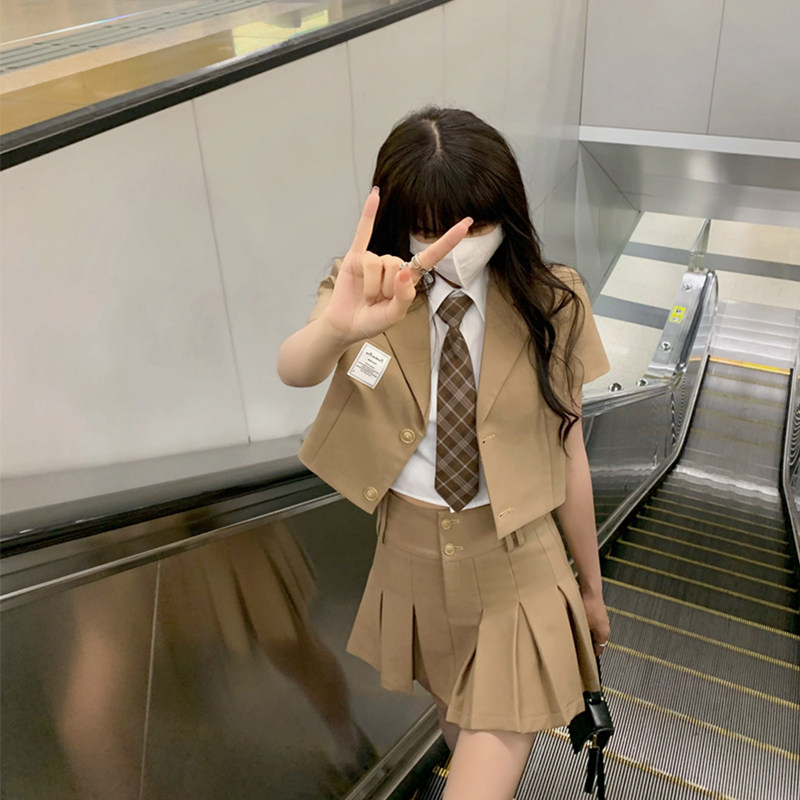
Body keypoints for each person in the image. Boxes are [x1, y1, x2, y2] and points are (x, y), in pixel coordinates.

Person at [277, 107, 611, 800]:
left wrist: (591, 585)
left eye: (477, 225)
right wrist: (339, 328)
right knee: (457, 725)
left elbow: (570, 450)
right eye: (431, 229)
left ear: (506, 214)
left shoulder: (554, 300)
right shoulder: (364, 290)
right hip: (410, 560)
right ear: (403, 222)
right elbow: (295, 368)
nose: (457, 246)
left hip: (518, 564)